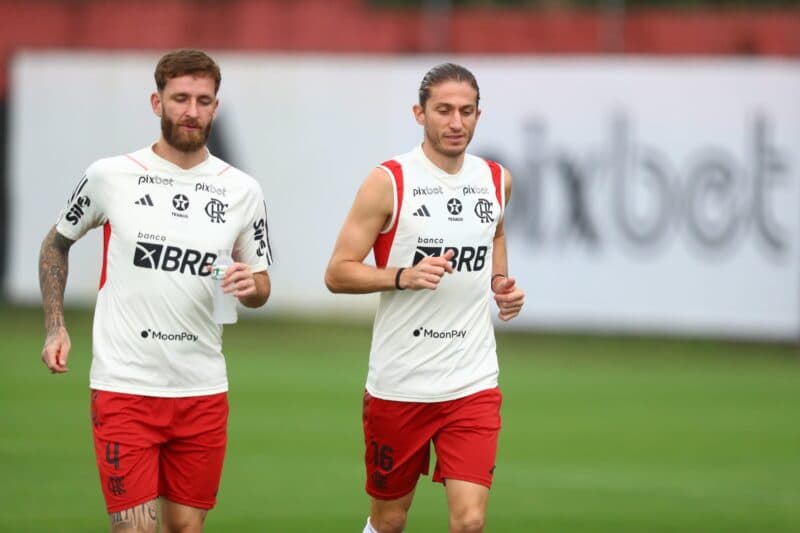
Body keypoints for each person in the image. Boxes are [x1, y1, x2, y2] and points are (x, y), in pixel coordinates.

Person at [38, 49, 273, 533]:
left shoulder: (242, 190)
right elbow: (56, 244)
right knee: (136, 528)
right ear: (157, 102)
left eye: (203, 101)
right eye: (180, 98)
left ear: (215, 107)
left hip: (202, 389)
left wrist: (251, 287)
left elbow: (261, 283)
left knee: (185, 527)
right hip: (125, 386)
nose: (191, 111)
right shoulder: (110, 175)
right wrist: (55, 326)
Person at [325, 63, 525, 533]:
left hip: (472, 381)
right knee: (390, 520)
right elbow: (337, 272)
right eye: (444, 110)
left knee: (470, 521)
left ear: (479, 116)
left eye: (466, 111)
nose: (456, 122)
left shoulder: (496, 179)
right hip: (401, 384)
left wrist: (500, 283)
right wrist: (403, 276)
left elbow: (495, 231)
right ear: (420, 114)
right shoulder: (389, 181)